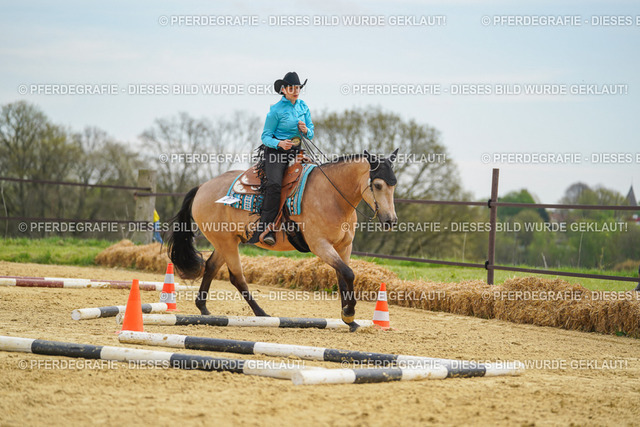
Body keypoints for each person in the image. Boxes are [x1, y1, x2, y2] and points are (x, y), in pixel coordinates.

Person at [248, 71, 314, 246]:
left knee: (314, 178)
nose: (295, 91)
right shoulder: (275, 111)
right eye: (291, 88)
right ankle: (265, 227)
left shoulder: (303, 107)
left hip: (297, 151)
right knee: (275, 185)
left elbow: (311, 133)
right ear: (283, 90)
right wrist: (279, 143)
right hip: (276, 153)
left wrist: (306, 130)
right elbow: (265, 136)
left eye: (298, 88)